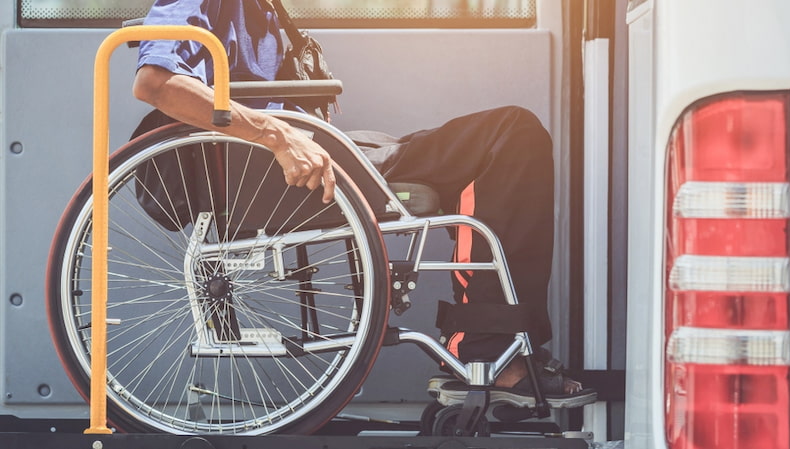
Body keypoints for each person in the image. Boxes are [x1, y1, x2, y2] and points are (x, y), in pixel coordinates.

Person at [132, 0, 595, 406]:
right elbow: (156, 84)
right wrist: (277, 135)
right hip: (279, 173)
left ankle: (484, 341)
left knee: (493, 143)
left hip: (311, 157)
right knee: (510, 134)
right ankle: (487, 348)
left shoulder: (263, 10)